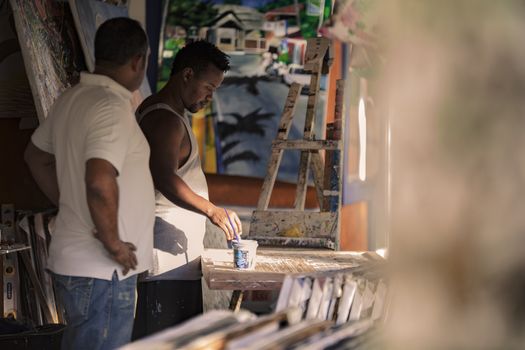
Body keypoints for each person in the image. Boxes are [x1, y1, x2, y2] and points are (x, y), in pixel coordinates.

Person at [24, 18, 154, 350]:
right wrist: (113, 244)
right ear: (138, 61)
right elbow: (99, 180)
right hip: (102, 271)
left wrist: (69, 201)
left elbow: (36, 157)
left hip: (84, 265)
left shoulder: (73, 98)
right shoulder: (110, 107)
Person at [132, 40, 242, 338]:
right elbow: (164, 178)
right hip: (165, 263)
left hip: (174, 260)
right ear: (187, 75)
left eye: (215, 90)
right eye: (209, 87)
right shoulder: (165, 119)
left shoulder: (169, 113)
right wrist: (212, 210)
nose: (210, 96)